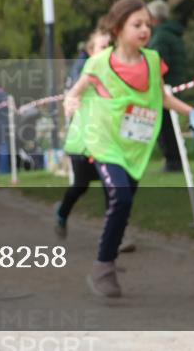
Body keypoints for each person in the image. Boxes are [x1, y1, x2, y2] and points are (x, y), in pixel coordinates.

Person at [63, 0, 193, 297]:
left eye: (148, 24)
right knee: (120, 198)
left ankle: (108, 258)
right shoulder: (98, 63)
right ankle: (103, 267)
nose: (145, 30)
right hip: (105, 142)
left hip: (135, 146)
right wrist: (71, 102)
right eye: (137, 24)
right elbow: (77, 90)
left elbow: (162, 97)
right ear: (118, 28)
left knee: (125, 202)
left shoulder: (151, 61)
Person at [55, 28, 112, 237]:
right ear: (91, 49)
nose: (107, 51)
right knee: (81, 185)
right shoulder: (86, 69)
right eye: (103, 47)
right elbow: (73, 93)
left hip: (106, 140)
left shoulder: (114, 70)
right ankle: (62, 213)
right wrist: (72, 101)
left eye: (110, 47)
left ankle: (114, 233)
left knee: (110, 185)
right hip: (83, 140)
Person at [147, 0, 187, 172]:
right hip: (176, 83)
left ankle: (173, 161)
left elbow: (158, 63)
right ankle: (175, 160)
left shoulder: (160, 37)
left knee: (165, 127)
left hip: (167, 86)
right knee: (170, 125)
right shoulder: (171, 34)